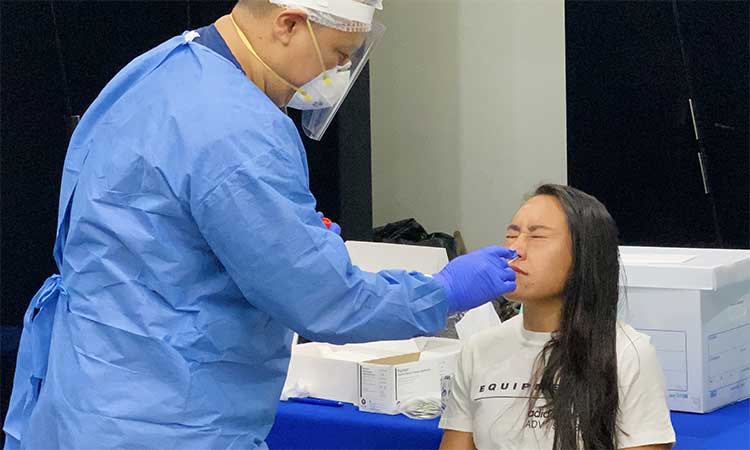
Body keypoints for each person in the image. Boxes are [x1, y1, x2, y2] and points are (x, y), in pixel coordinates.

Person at [3, 1, 518, 449]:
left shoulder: (155, 71)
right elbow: (324, 300)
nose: (337, 74)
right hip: (169, 419)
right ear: (289, 24)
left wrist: (286, 231)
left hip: (83, 399)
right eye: (338, 56)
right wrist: (442, 292)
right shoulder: (238, 128)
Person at [439, 184, 676, 450]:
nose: (516, 250)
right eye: (511, 235)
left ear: (584, 254)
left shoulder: (627, 352)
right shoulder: (479, 349)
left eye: (537, 237)